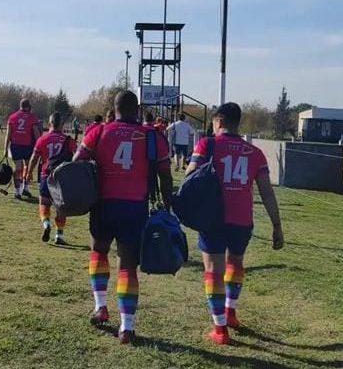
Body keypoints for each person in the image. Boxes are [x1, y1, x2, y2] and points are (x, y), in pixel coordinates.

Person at [73, 91, 173, 344]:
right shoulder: (153, 136)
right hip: (134, 207)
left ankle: (101, 307)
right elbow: (165, 176)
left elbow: (76, 164)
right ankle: (126, 327)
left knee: (99, 251)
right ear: (136, 109)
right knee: (127, 264)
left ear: (114, 108)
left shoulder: (98, 131)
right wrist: (168, 206)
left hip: (104, 204)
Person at [185, 102, 284, 345]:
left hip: (213, 218)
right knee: (236, 263)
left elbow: (189, 177)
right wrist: (277, 226)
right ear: (237, 123)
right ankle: (230, 311)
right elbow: (267, 193)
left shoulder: (206, 144)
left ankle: (220, 328)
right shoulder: (255, 152)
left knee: (213, 271)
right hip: (242, 219)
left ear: (218, 120)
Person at [26, 112, 77, 245]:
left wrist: (29, 172)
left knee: (44, 203)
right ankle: (59, 235)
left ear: (49, 124)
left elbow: (34, 157)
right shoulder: (69, 140)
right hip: (62, 178)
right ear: (62, 125)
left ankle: (46, 224)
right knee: (61, 207)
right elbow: (78, 156)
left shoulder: (42, 139)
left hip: (46, 175)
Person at [4, 98, 40, 200]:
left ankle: (17, 191)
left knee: (18, 168)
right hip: (28, 146)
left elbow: (8, 134)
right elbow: (36, 133)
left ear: (20, 106)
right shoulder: (32, 117)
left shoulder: (12, 117)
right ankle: (25, 188)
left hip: (15, 146)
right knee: (27, 167)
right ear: (28, 106)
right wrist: (39, 146)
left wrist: (5, 148)